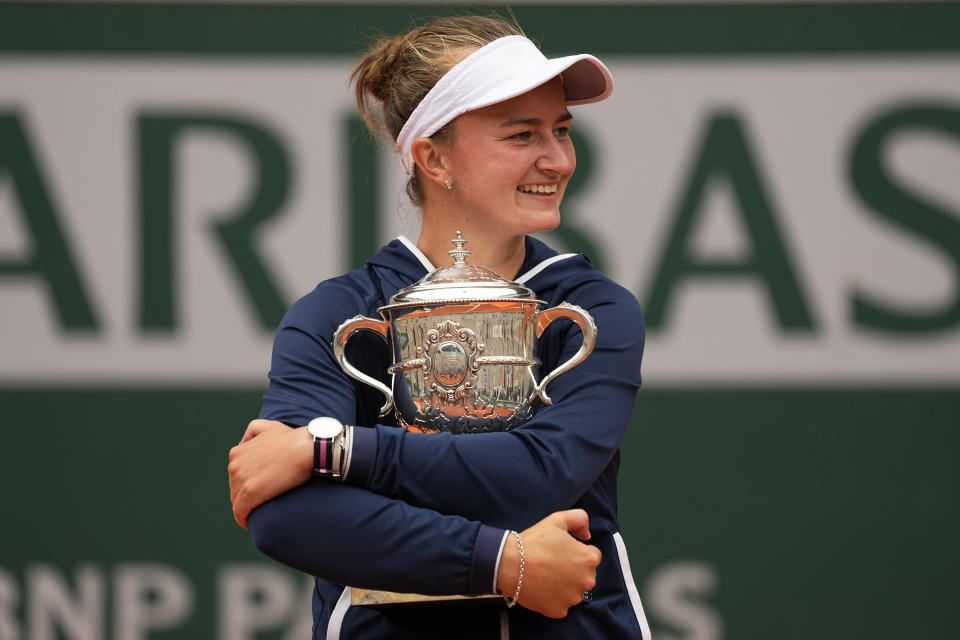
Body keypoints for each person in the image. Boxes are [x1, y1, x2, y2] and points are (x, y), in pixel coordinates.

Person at [228, 15, 651, 639]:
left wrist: (333, 451)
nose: (558, 158)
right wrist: (505, 564)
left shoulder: (592, 309)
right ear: (432, 157)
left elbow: (539, 476)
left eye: (562, 130)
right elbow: (287, 519)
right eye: (521, 134)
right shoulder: (334, 316)